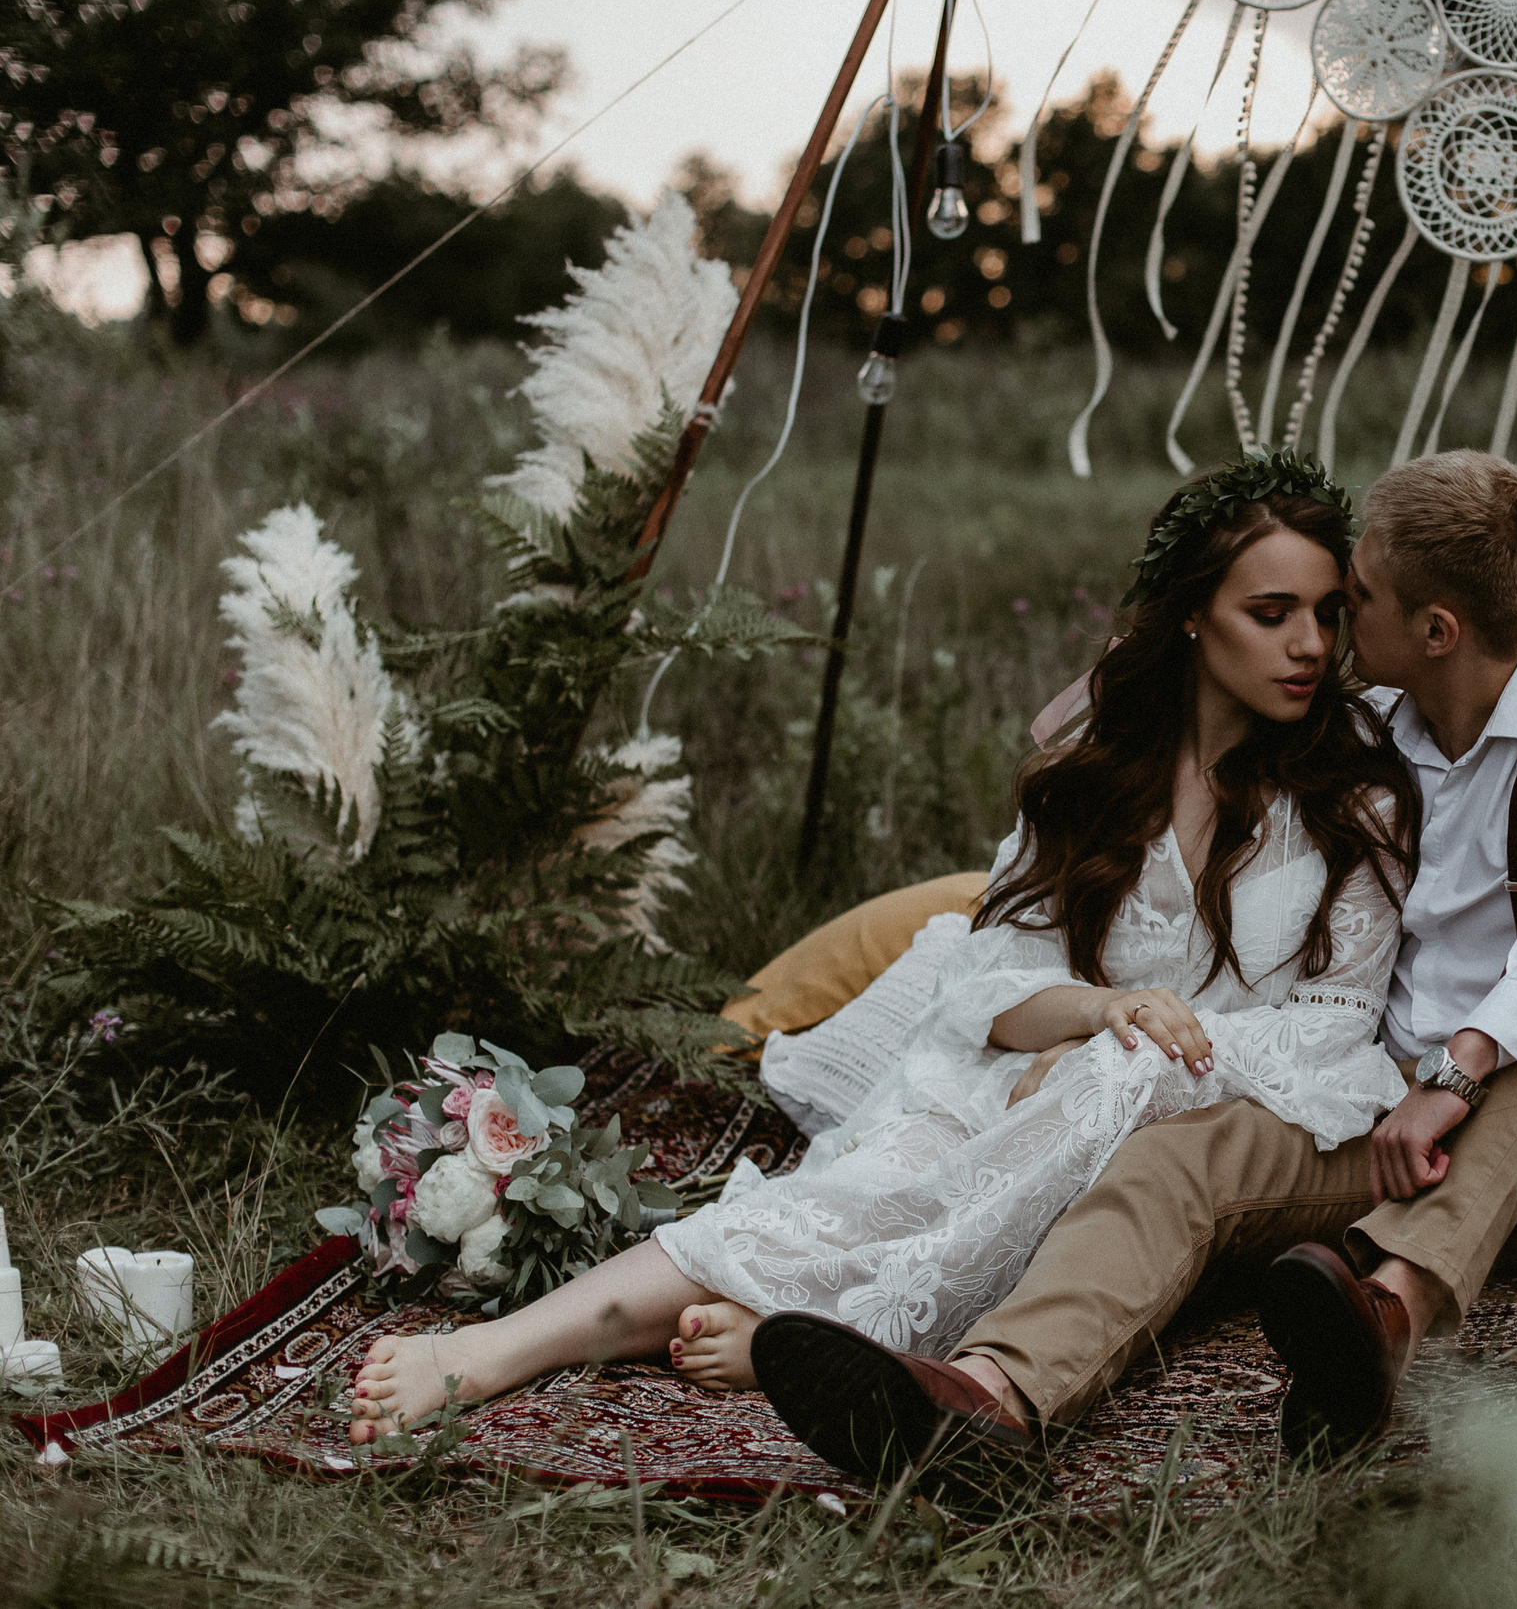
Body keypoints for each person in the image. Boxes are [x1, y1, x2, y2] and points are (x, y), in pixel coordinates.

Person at [347, 450, 1420, 1450]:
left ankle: (819, 1334)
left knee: (1092, 1102)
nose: (1311, 648)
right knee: (870, 1180)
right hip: (1032, 1074)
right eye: (1270, 614)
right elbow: (998, 972)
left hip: (1237, 1111)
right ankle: (500, 1348)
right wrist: (1099, 1014)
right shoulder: (1097, 775)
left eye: (1329, 615)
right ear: (1192, 617)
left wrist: (1145, 1052)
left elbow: (1338, 1026)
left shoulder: (1352, 794)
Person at [758, 449, 1517, 1463]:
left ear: (1436, 631)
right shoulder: (1370, 723)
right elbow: (1145, 709)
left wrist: (1463, 1064)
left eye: (1355, 602)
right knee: (1181, 1157)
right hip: (1388, 1127)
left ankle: (1392, 1311)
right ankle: (991, 1399)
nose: (1330, 630)